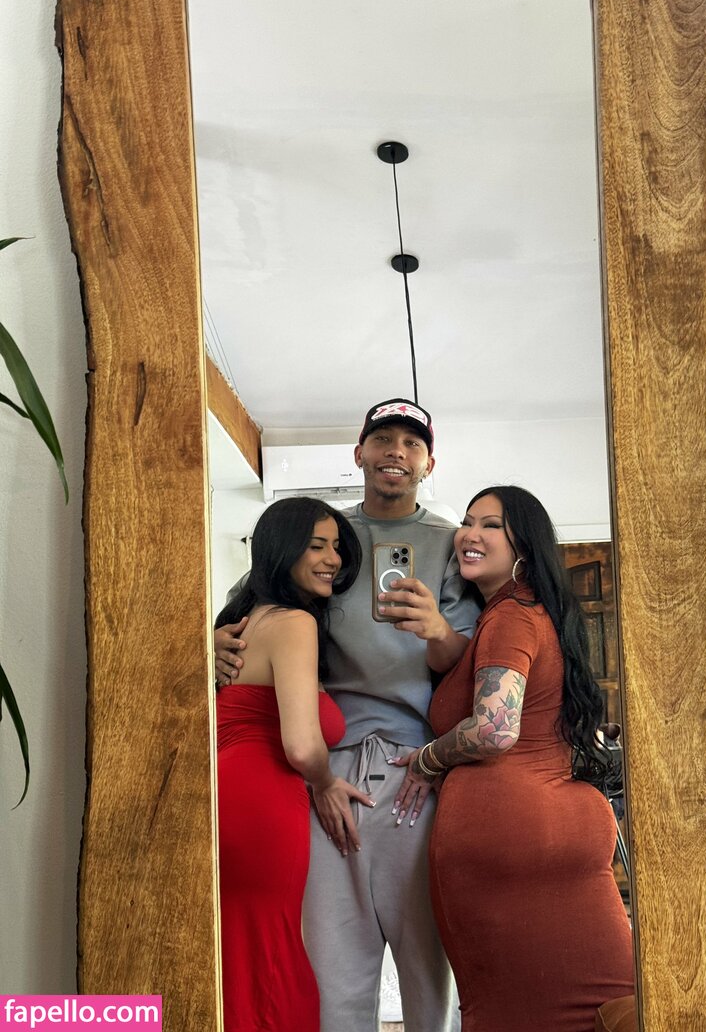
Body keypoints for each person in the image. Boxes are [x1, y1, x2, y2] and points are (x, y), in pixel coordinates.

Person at [215, 399, 480, 1032]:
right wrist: (212, 642)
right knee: (333, 967)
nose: (396, 452)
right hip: (321, 766)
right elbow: (258, 604)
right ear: (359, 453)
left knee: (427, 967)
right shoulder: (326, 533)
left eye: (412, 444)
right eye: (383, 439)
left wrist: (437, 629)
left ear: (429, 463)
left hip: (415, 765)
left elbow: (469, 662)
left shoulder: (449, 543)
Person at [392, 486, 635, 1032]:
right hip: (552, 833)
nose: (470, 534)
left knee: (521, 1012)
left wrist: (428, 760)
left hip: (514, 841)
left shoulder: (512, 617)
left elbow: (494, 729)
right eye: (468, 521)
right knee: (604, 1009)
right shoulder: (528, 613)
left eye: (491, 525)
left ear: (523, 542)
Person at [215, 496, 375, 1032]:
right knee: (270, 956)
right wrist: (326, 783)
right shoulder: (293, 623)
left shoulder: (240, 623)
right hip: (263, 804)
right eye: (316, 546)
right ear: (282, 551)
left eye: (336, 547)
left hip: (230, 796)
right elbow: (303, 747)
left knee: (240, 953)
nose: (333, 559)